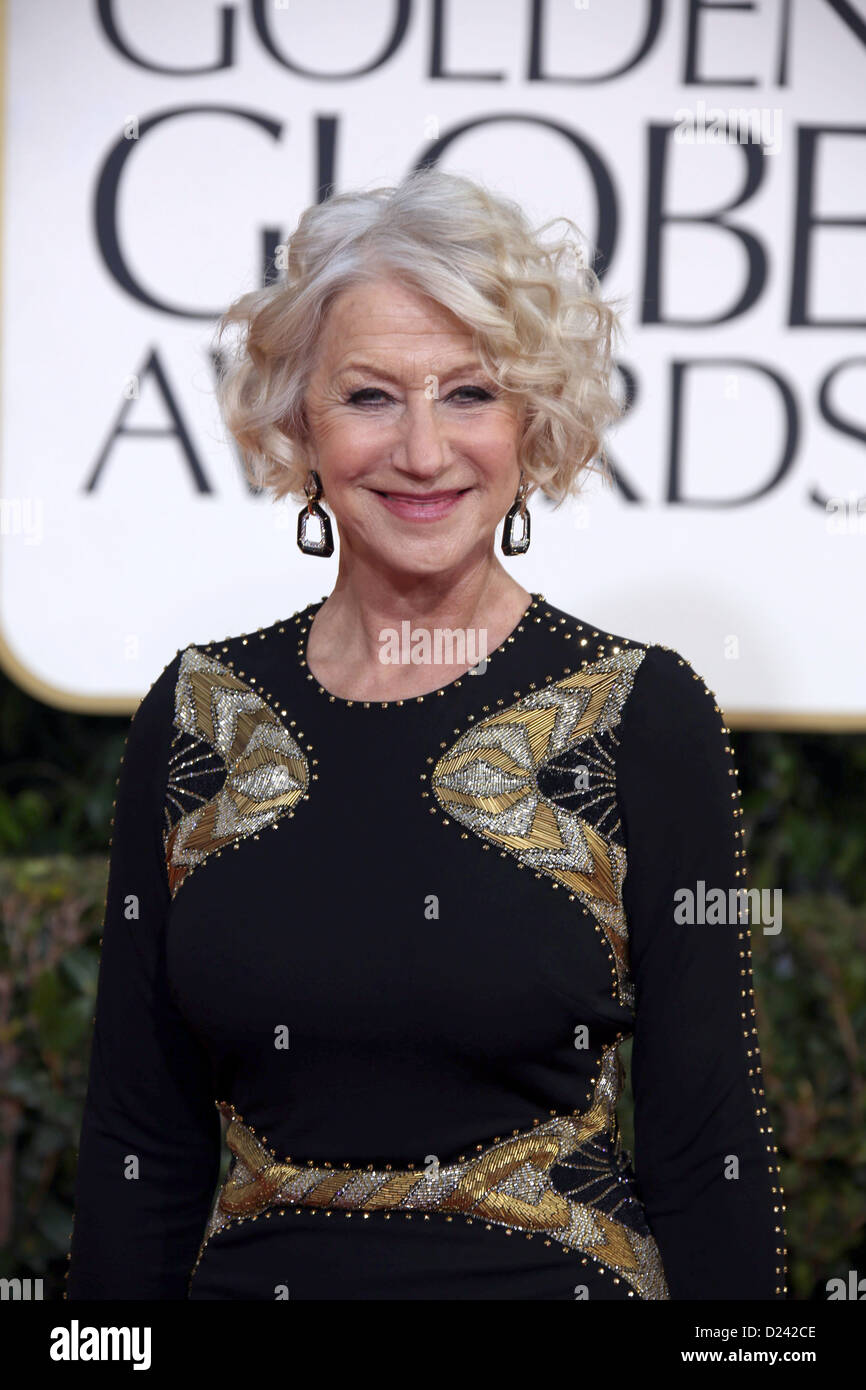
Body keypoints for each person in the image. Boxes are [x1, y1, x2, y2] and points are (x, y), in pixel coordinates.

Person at [66, 168, 786, 1300]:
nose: (419, 451)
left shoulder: (640, 712)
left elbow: (708, 1141)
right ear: (297, 417)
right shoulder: (196, 712)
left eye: (468, 393)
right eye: (368, 396)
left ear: (530, 421)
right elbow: (137, 1139)